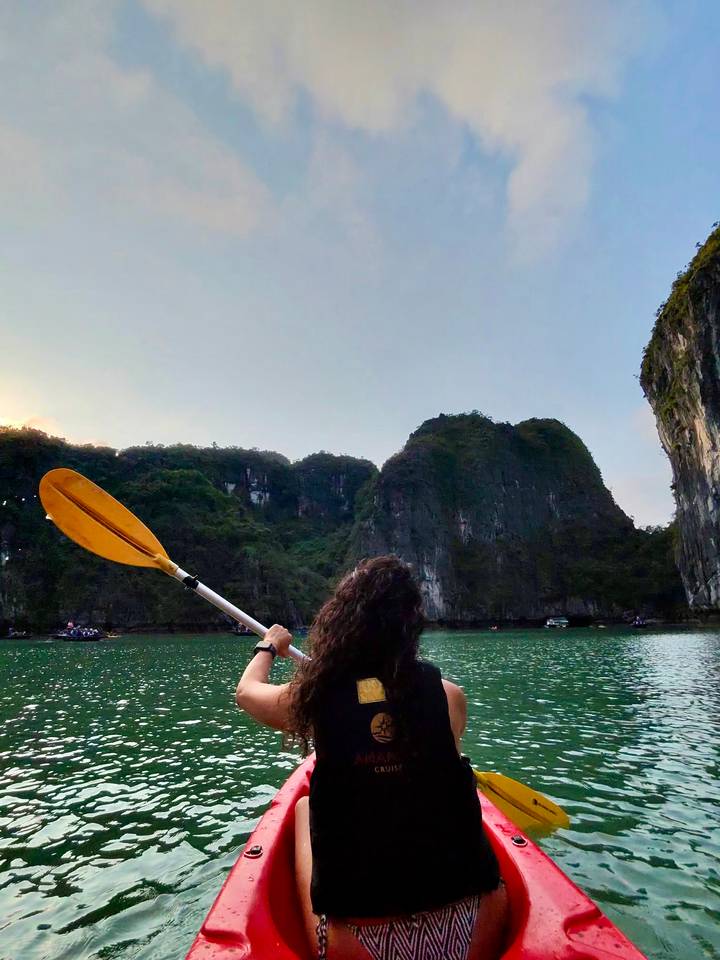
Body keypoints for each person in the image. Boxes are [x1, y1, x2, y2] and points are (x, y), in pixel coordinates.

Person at [235, 556, 508, 960]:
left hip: (365, 946)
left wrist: (270, 646)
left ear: (340, 620)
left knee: (305, 806)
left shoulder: (315, 697)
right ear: (411, 626)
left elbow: (247, 692)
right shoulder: (448, 695)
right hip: (476, 931)